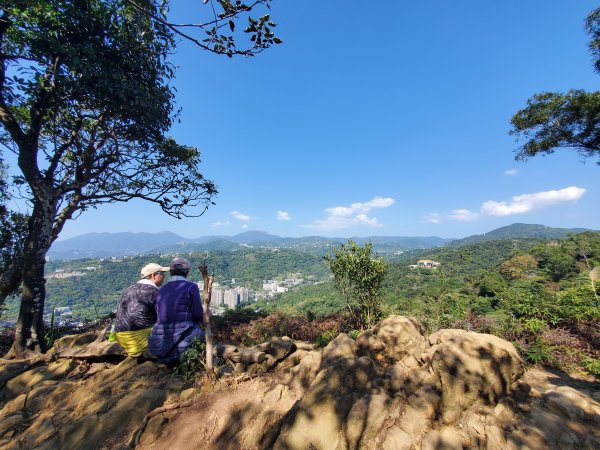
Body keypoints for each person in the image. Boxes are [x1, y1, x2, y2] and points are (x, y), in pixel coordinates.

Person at [148, 257, 204, 364]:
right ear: (186, 272)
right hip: (184, 331)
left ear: (171, 272)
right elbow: (198, 314)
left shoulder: (161, 289)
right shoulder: (191, 287)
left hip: (158, 339)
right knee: (199, 333)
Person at [114, 262, 169, 357]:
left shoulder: (130, 288)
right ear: (153, 275)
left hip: (122, 337)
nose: (164, 276)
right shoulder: (154, 292)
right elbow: (164, 317)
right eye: (162, 274)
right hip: (140, 338)